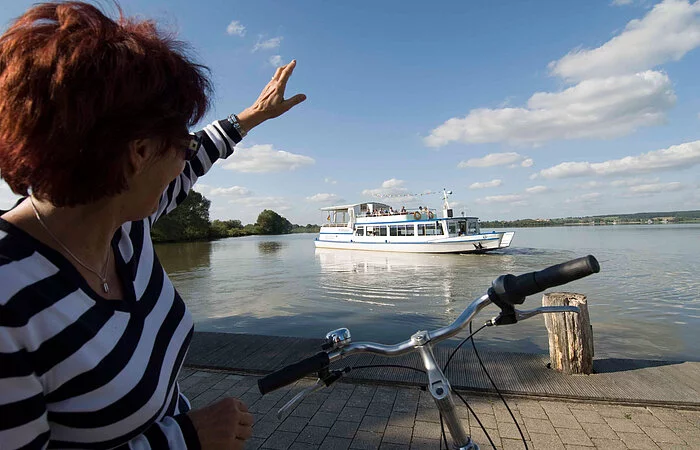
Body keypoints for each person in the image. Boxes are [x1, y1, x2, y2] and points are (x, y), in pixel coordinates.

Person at [0, 2, 305, 449]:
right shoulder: (10, 301)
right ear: (139, 154)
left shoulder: (122, 224)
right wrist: (186, 438)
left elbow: (199, 157)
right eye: (180, 137)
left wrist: (253, 116)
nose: (187, 153)